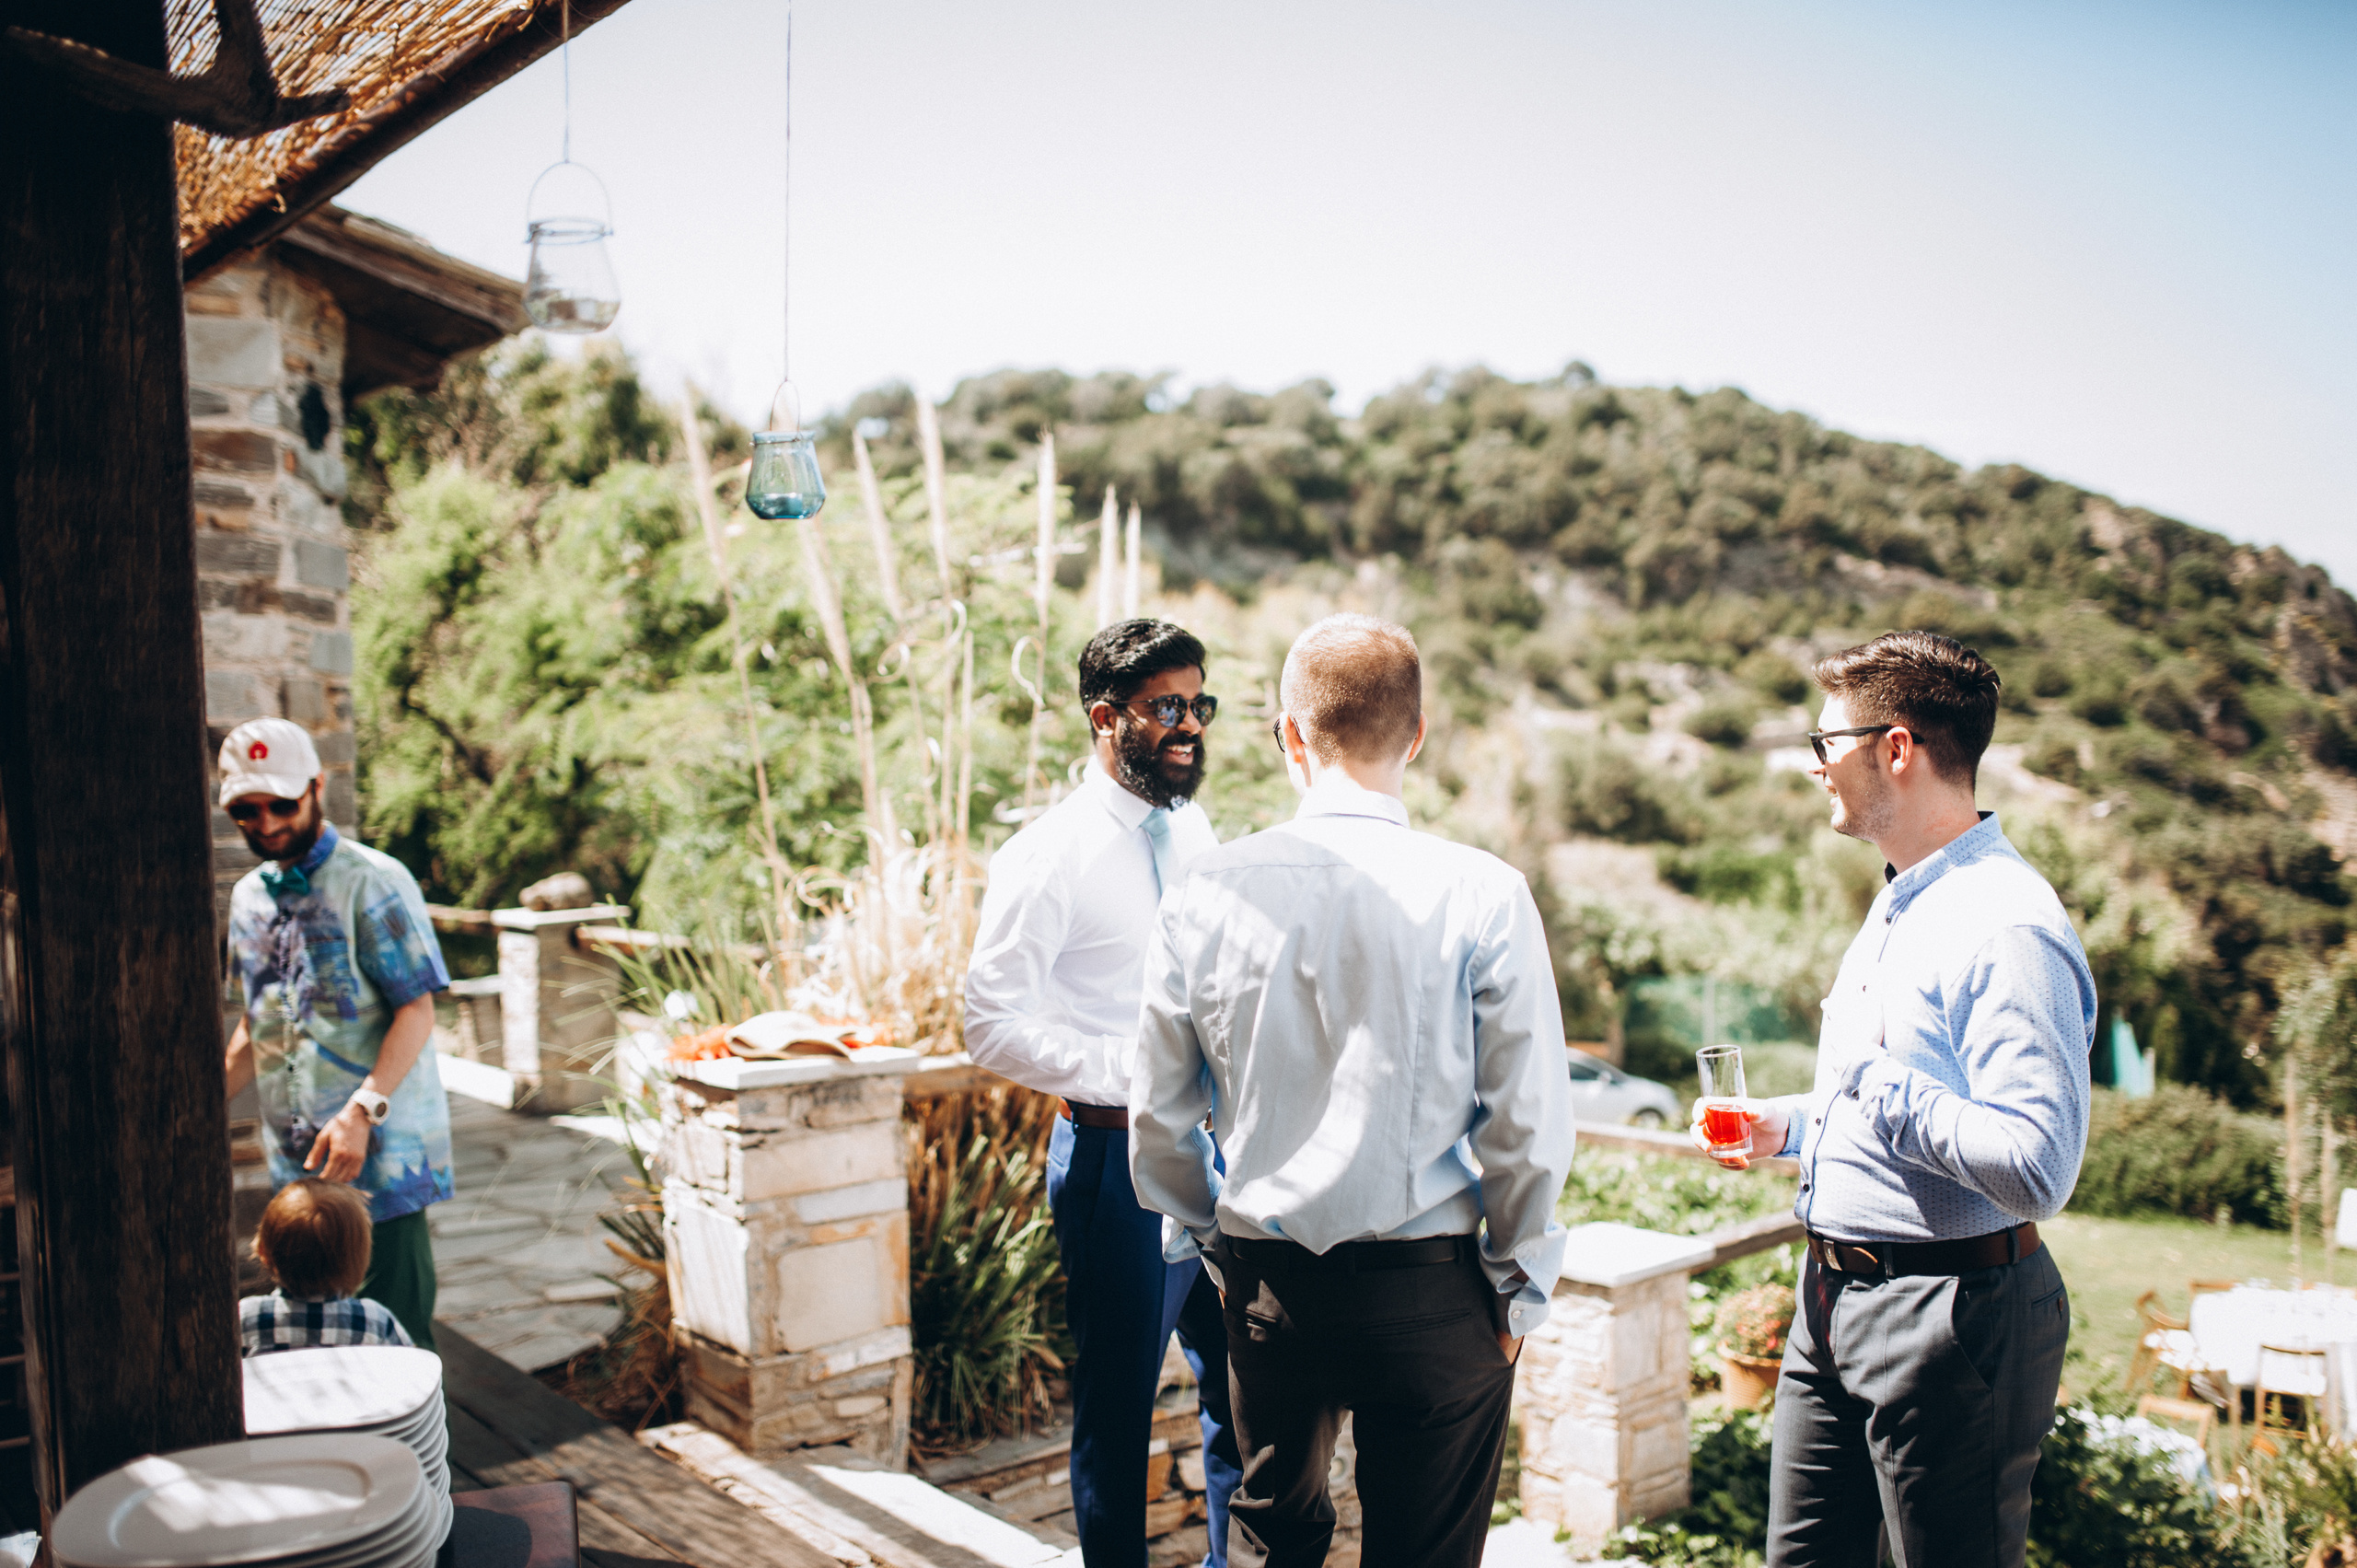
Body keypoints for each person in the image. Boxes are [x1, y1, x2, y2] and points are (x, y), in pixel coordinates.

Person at [1130, 613, 1575, 1568]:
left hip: (1269, 1287)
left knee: (1268, 1541)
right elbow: (1527, 1123)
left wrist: (1214, 1241)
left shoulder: (1203, 891)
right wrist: (1517, 1289)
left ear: (1287, 734)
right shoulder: (1484, 891)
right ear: (1416, 735)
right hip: (1436, 1295)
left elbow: (1159, 1114)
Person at [1694, 631, 2094, 1568]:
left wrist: (1869, 1076)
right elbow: (1893, 1087)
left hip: (1949, 1314)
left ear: (1897, 747)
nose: (1818, 767)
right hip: (1831, 1299)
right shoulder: (1902, 895)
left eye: (1826, 742)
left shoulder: (2007, 924)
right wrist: (1787, 1124)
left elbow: (2036, 1165)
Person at [964, 620, 1243, 1568]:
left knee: (1242, 1391)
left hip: (1223, 1156)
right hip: (1115, 1165)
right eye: (1167, 706)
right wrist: (1137, 1075)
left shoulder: (1193, 827)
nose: (1189, 725)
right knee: (1118, 1408)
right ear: (1103, 716)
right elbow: (988, 1020)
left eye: (1197, 704)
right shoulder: (1048, 853)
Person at [218, 717, 456, 1352]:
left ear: (317, 787)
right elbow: (258, 1020)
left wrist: (362, 1110)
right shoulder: (246, 899)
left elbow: (418, 1009)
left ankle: (419, 1456)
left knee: (398, 1345)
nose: (265, 822)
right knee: (311, 1347)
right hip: (294, 1167)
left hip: (380, 1159)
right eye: (246, 809)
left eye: (281, 803)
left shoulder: (374, 880)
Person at [240, 1178, 417, 1356]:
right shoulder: (376, 1321)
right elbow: (415, 1375)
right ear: (359, 1257)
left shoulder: (246, 1318)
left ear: (263, 1252)